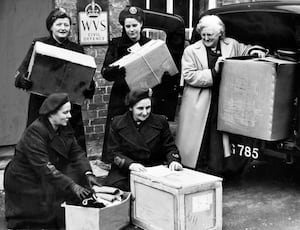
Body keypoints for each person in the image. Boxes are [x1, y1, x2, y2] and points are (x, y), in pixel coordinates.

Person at [176, 15, 267, 175]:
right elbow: (189, 75)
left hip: (222, 101)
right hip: (200, 102)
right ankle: (197, 169)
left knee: (220, 138)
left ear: (219, 34)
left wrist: (256, 51)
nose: (206, 38)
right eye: (203, 35)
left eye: (210, 35)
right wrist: (214, 72)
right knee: (200, 139)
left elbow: (245, 49)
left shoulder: (230, 44)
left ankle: (218, 171)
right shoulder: (191, 51)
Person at [4, 93, 100, 229]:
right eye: (65, 112)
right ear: (51, 113)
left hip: (45, 174)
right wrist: (72, 185)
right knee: (42, 216)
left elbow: (76, 152)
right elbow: (45, 167)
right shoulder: (35, 131)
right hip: (25, 179)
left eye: (70, 111)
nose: (70, 116)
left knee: (76, 185)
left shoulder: (64, 126)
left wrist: (88, 173)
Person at [14, 7, 95, 151]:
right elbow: (21, 75)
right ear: (51, 27)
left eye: (66, 25)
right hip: (42, 104)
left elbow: (86, 78)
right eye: (59, 24)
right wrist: (24, 80)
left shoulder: (77, 49)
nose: (63, 28)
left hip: (68, 107)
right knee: (40, 143)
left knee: (71, 146)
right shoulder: (39, 45)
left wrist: (88, 87)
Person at [104, 88, 183, 191]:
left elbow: (170, 147)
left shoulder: (160, 122)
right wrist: (130, 164)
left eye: (148, 107)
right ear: (131, 108)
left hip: (152, 169)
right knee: (120, 189)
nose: (145, 112)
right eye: (140, 108)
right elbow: (112, 153)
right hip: (125, 171)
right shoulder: (117, 123)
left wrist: (173, 161)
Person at [100, 6, 151, 162]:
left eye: (134, 25)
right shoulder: (116, 44)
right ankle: (113, 161)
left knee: (142, 126)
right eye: (127, 26)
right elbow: (105, 72)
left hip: (142, 94)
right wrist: (118, 67)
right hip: (121, 94)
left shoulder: (149, 44)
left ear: (141, 24)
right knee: (118, 127)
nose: (131, 30)